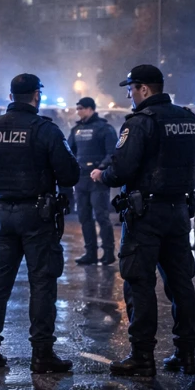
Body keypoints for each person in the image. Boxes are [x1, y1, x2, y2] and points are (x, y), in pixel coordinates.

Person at [91, 64, 195, 377]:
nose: (129, 95)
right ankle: (186, 354)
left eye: (130, 89)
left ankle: (142, 356)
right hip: (178, 212)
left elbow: (122, 170)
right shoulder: (189, 119)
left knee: (139, 283)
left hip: (144, 214)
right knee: (180, 283)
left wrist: (101, 175)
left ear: (144, 89)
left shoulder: (140, 122)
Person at [0, 73, 80, 374]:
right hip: (37, 217)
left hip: (1, 217)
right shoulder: (44, 130)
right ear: (36, 95)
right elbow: (70, 175)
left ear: (12, 95)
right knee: (42, 284)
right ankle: (42, 355)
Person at [68, 97, 118, 265]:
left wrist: (102, 168)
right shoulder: (76, 130)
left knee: (101, 216)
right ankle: (90, 252)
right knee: (84, 217)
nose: (78, 111)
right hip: (81, 179)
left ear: (90, 109)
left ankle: (108, 252)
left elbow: (112, 153)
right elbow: (69, 152)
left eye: (81, 108)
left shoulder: (104, 129)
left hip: (98, 179)